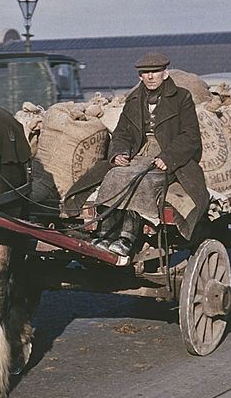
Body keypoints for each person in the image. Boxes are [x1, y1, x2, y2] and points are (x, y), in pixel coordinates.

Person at [64, 52, 210, 257]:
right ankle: (106, 232)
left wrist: (168, 157)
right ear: (140, 77)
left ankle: (127, 237)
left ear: (165, 74)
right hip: (139, 153)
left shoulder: (182, 98)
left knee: (143, 179)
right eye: (145, 73)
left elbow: (190, 136)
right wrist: (119, 154)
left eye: (155, 72)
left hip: (168, 154)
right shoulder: (133, 100)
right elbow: (122, 132)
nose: (150, 76)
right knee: (115, 174)